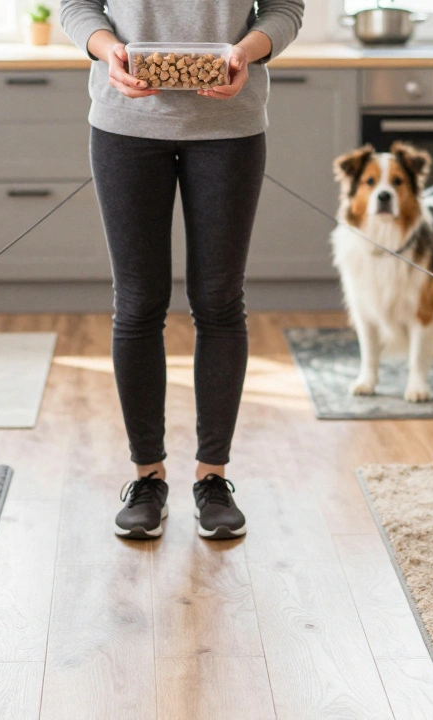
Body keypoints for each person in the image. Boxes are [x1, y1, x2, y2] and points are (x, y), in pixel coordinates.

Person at [59, 0, 304, 540]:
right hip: (126, 126)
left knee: (218, 302)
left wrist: (245, 52)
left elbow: (284, 9)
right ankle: (147, 477)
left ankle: (212, 478)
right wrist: (109, 52)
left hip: (230, 129)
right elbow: (78, 6)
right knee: (138, 303)